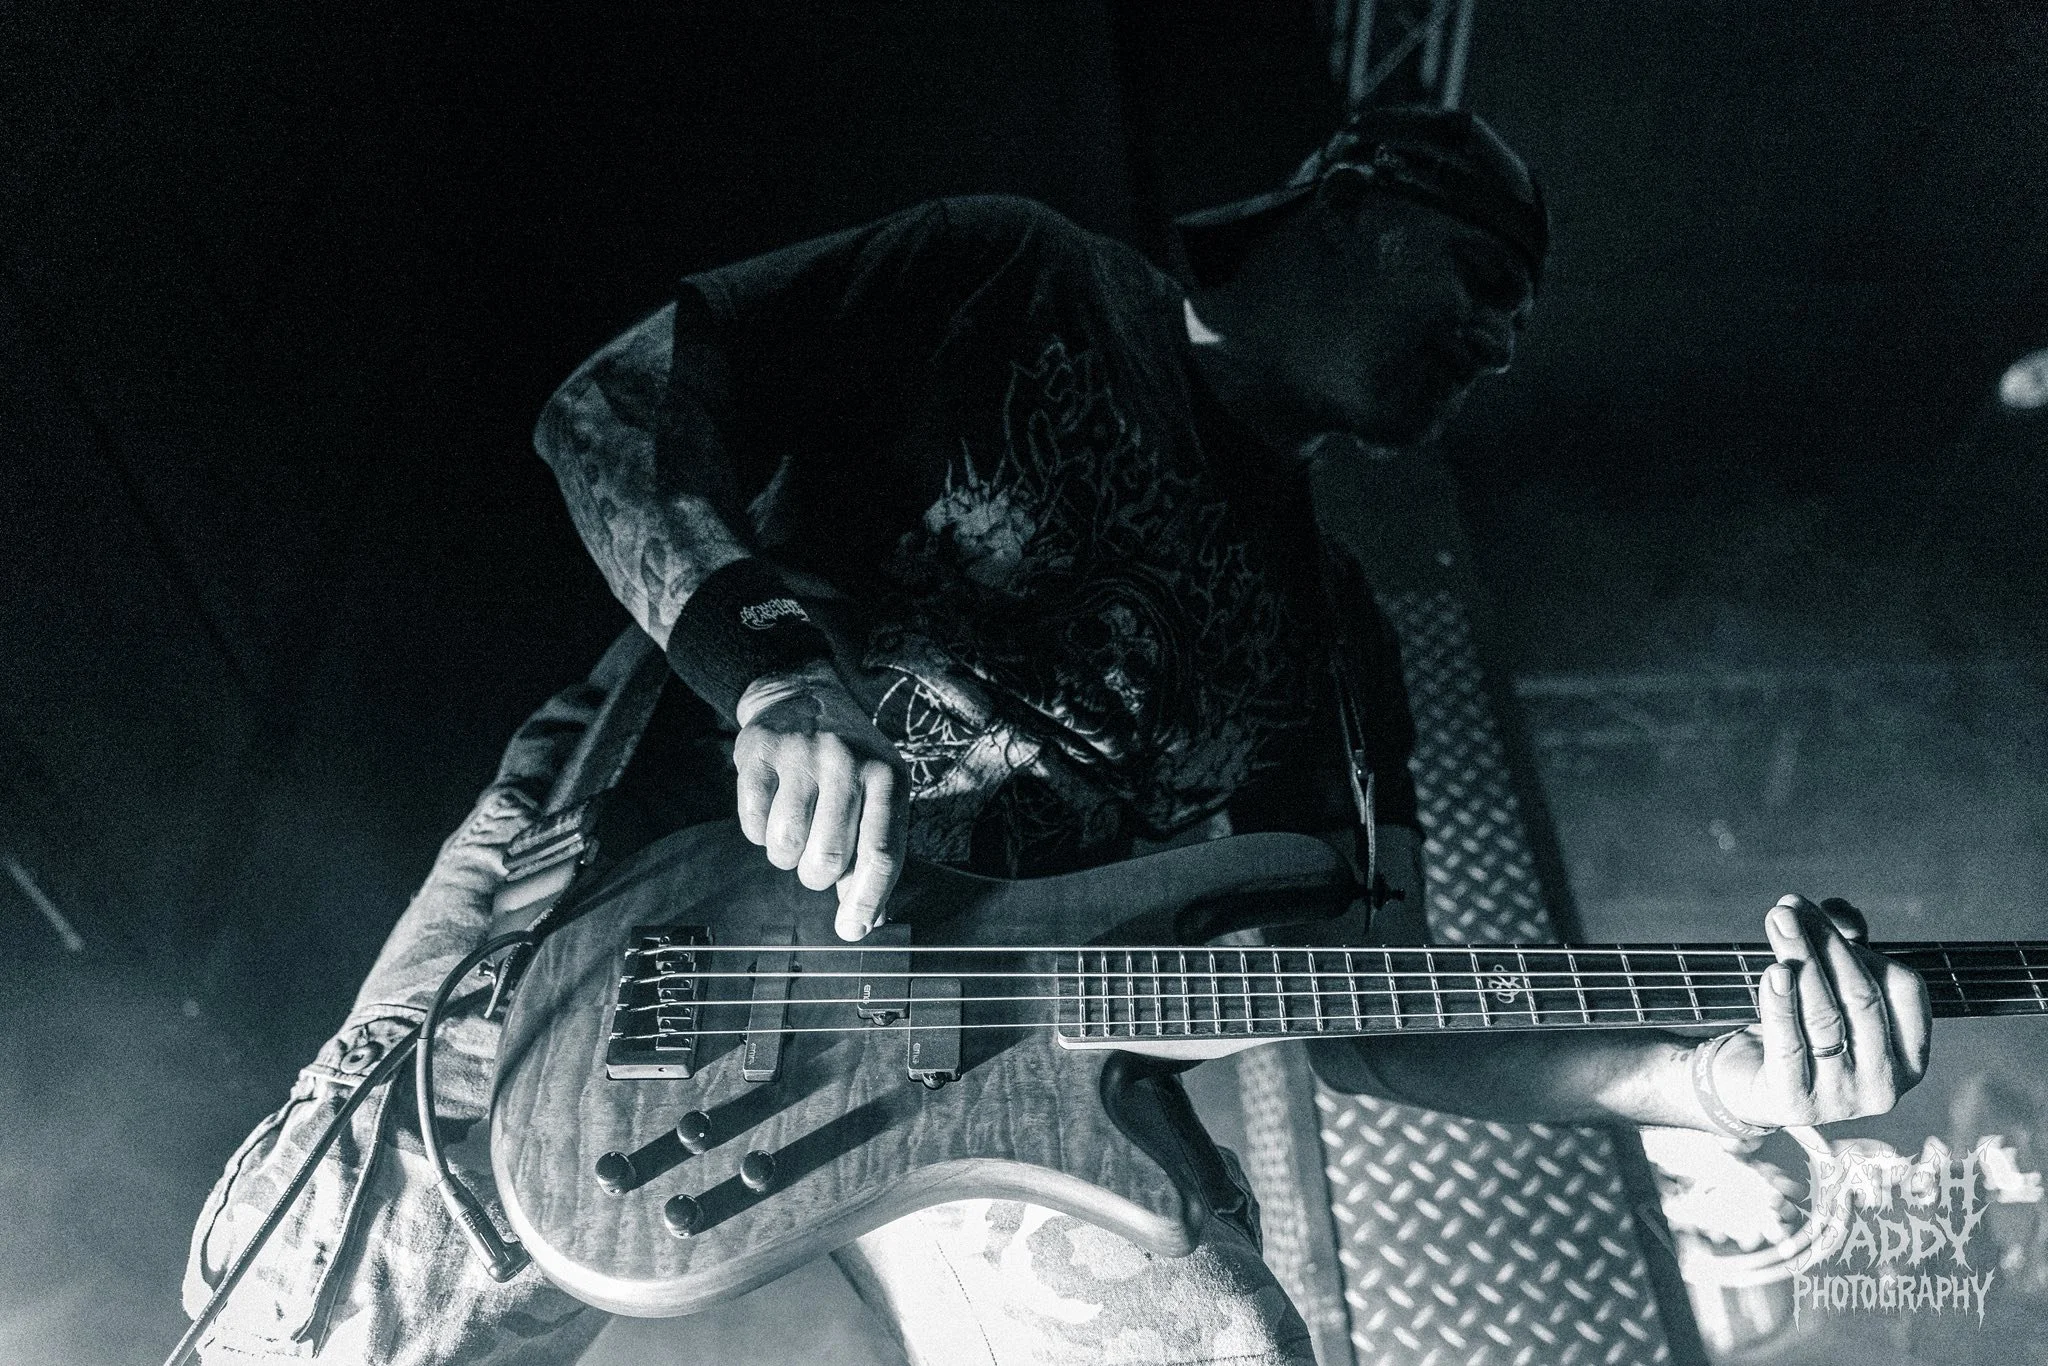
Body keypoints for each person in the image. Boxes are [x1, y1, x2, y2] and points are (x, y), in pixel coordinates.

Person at [182, 107, 1933, 1366]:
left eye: (1522, 330)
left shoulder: (1343, 650)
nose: (1497, 340)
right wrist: (775, 672)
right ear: (1356, 200)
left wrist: (1714, 1077)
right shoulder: (1011, 273)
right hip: (644, 922)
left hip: (994, 1069)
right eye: (1483, 276)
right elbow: (618, 402)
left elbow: (1382, 1018)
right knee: (345, 1321)